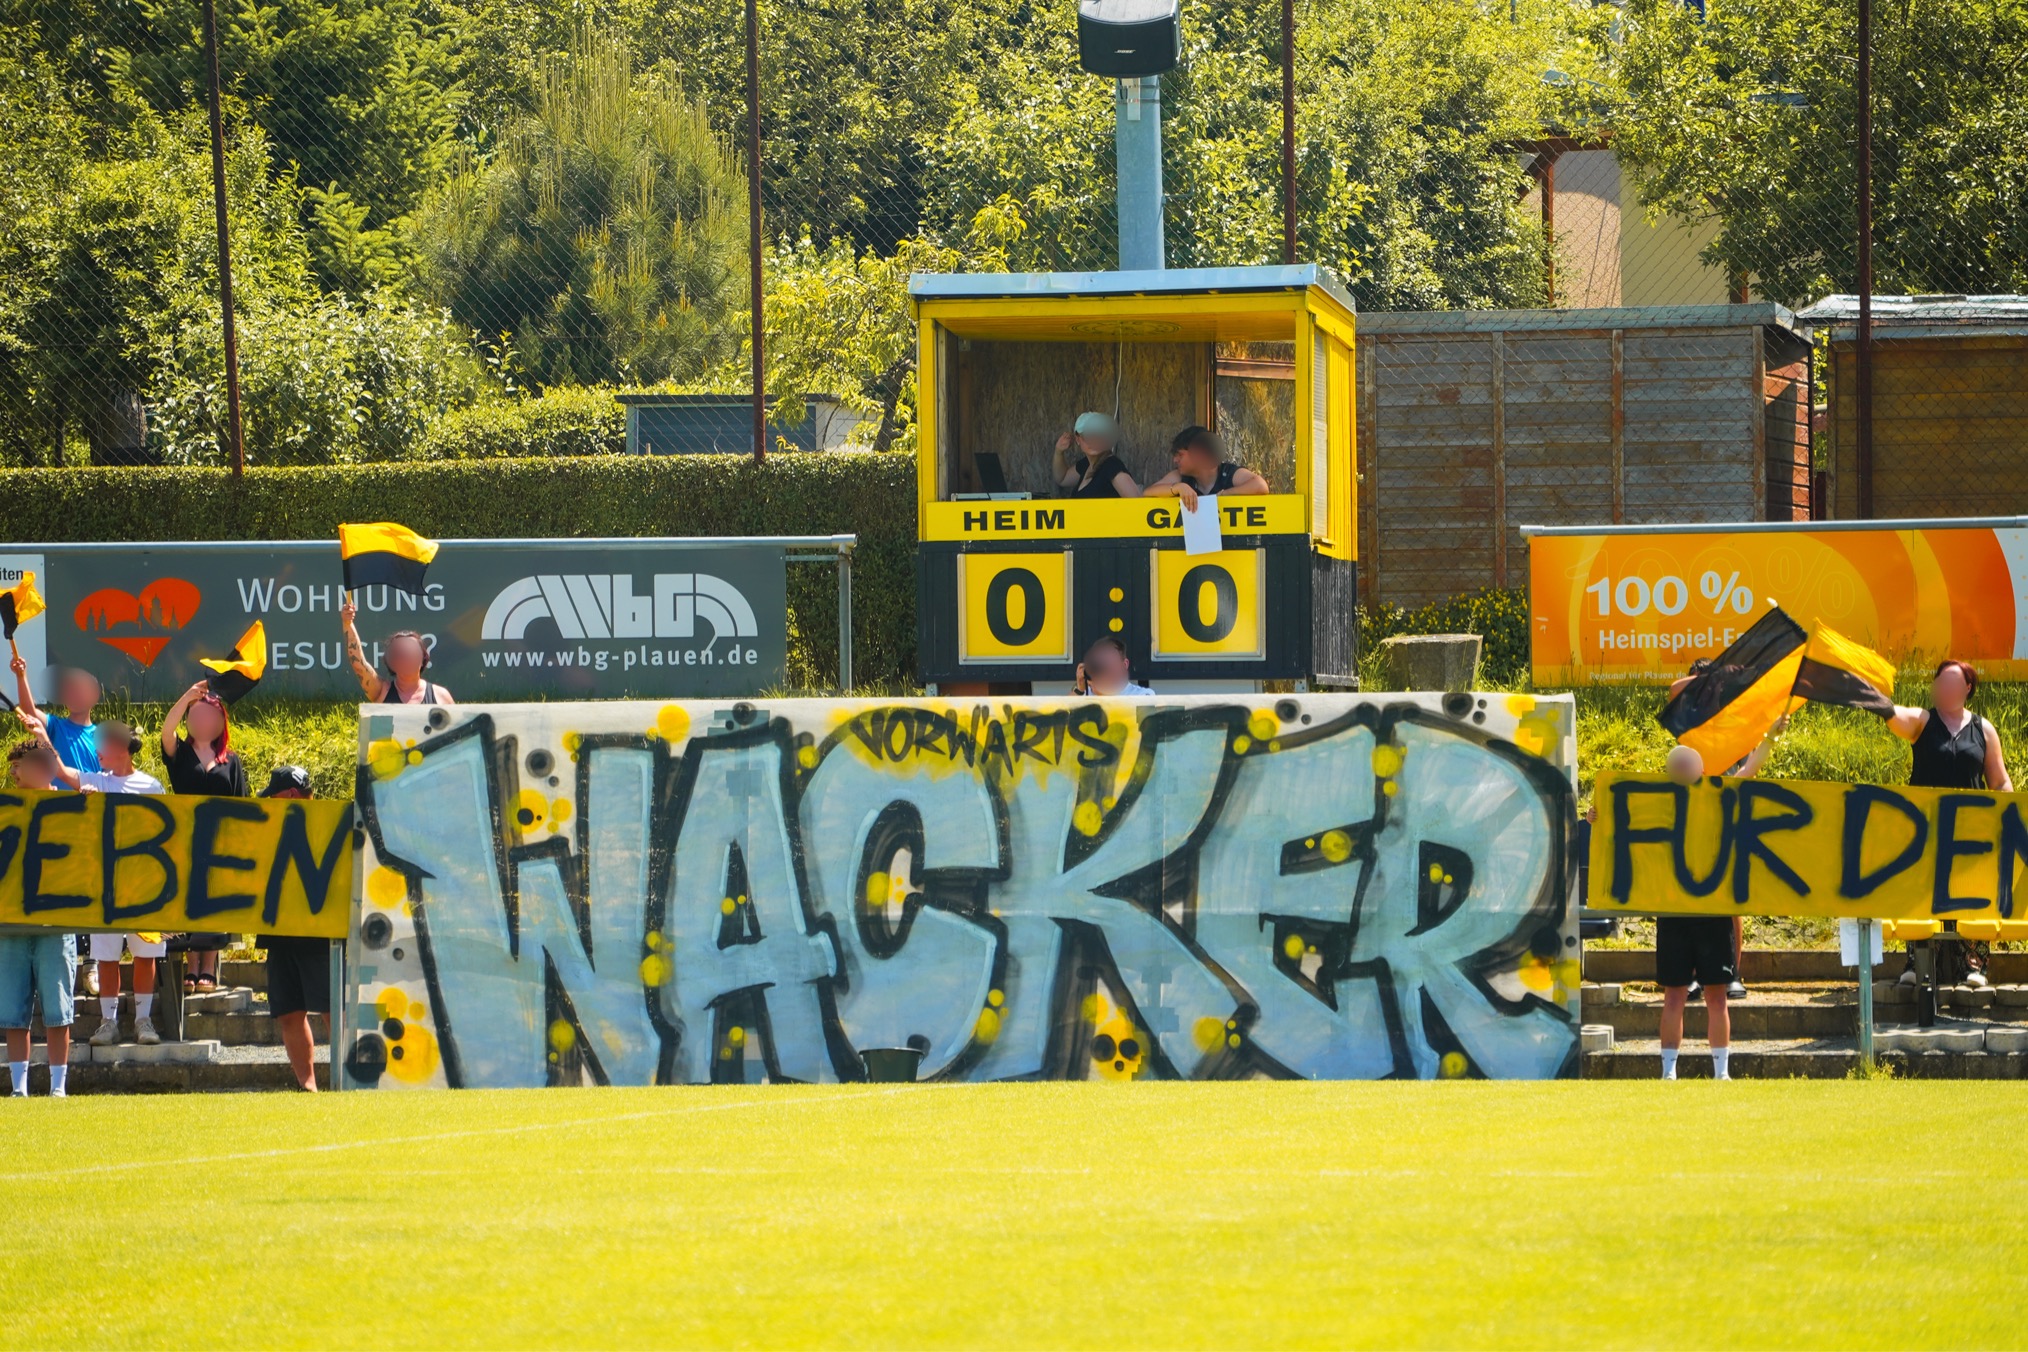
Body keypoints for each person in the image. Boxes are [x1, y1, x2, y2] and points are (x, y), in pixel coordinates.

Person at [27, 715, 169, 1046]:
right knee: (106, 955)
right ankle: (109, 1022)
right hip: (104, 886)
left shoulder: (152, 786)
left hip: (144, 885)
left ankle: (144, 1021)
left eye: (102, 745)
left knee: (145, 953)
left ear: (119, 746)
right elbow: (61, 771)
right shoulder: (97, 782)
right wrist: (41, 735)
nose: (97, 751)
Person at [1651, 722, 1780, 1082]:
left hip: (1713, 910)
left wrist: (1768, 737)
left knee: (1716, 995)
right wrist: (1594, 817)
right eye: (1675, 768)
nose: (1682, 773)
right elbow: (1617, 818)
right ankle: (1669, 1071)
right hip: (1674, 910)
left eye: (1687, 766)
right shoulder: (1656, 802)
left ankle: (1721, 1071)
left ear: (1701, 770)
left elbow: (1749, 771)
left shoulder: (1720, 794)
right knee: (1674, 995)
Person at [1888, 660, 2011, 988]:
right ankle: (1916, 962)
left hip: (1972, 831)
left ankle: (1973, 965)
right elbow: (1896, 717)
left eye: (1952, 683)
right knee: (1923, 894)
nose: (1944, 689)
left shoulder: (1984, 730)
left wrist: (2009, 816)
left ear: (1967, 688)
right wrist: (1876, 699)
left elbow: (1999, 782)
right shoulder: (1923, 721)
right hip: (1926, 829)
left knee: (1970, 895)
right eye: (1940, 682)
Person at [13, 655, 103, 998]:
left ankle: (93, 961)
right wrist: (22, 676)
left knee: (89, 885)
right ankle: (73, 956)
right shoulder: (55, 726)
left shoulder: (103, 734)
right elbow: (29, 712)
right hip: (53, 819)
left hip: (88, 818)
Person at [160, 680, 249, 994]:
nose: (203, 721)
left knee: (213, 903)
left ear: (221, 722)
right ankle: (191, 964)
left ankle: (208, 966)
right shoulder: (179, 753)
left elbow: (243, 801)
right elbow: (166, 732)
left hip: (221, 842)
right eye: (195, 715)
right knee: (190, 901)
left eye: (209, 717)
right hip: (184, 840)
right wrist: (187, 697)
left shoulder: (231, 760)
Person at [1, 740, 73, 1095]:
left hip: (55, 928)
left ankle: (58, 1088)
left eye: (20, 764)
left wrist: (87, 801)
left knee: (59, 1011)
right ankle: (19, 1088)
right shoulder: (4, 810)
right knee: (13, 1011)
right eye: (12, 765)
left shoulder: (75, 808)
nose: (13, 771)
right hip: (11, 927)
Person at [256, 765, 328, 1092]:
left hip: (318, 931)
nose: (268, 801)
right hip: (278, 930)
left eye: (273, 795)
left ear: (290, 795)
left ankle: (352, 1083)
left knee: (332, 1009)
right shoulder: (267, 827)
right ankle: (307, 1088)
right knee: (289, 1012)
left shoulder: (327, 822)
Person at [342, 594, 455, 705]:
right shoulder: (382, 691)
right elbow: (359, 664)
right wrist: (348, 623)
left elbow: (459, 723)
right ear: (391, 662)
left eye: (411, 652)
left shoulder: (441, 696)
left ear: (423, 658)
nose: (405, 657)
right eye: (399, 654)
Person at [1141, 426, 1269, 513]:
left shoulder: (1227, 473)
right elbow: (1149, 492)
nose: (1175, 460)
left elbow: (1260, 486)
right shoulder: (1180, 477)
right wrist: (1178, 488)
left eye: (1180, 455)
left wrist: (1225, 495)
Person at [1052, 412, 1140, 498]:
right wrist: (1058, 452)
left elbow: (1137, 502)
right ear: (1078, 439)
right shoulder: (1086, 464)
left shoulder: (1112, 466)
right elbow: (1062, 479)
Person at [1072, 636, 1154, 697]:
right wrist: (1079, 690)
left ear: (1124, 665)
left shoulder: (1142, 695)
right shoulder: (1084, 695)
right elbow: (1063, 715)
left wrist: (1102, 693)